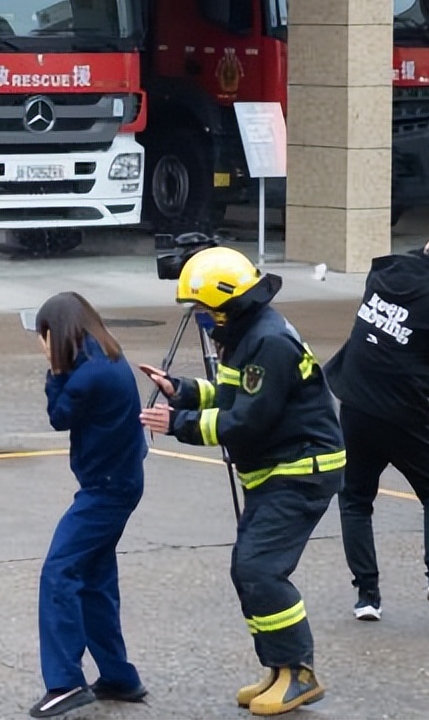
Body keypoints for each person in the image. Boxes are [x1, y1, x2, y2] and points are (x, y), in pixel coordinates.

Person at [138, 247, 343, 717]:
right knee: (248, 568)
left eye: (202, 309)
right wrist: (182, 390)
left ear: (226, 305)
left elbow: (247, 421)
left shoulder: (268, 342)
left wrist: (178, 423)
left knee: (260, 569)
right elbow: (234, 394)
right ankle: (279, 668)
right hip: (276, 469)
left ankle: (300, 674)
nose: (199, 318)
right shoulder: (250, 334)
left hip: (299, 471)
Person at [324, 228, 429, 620]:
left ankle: (367, 597)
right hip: (402, 413)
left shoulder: (383, 274)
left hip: (355, 403)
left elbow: (412, 263)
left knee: (355, 499)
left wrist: (428, 250)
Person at [28, 292, 148, 718]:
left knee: (59, 571)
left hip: (105, 490)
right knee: (94, 577)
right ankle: (119, 676)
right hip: (119, 483)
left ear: (56, 334)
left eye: (44, 336)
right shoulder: (106, 357)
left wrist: (54, 369)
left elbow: (59, 416)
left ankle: (65, 682)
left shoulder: (86, 375)